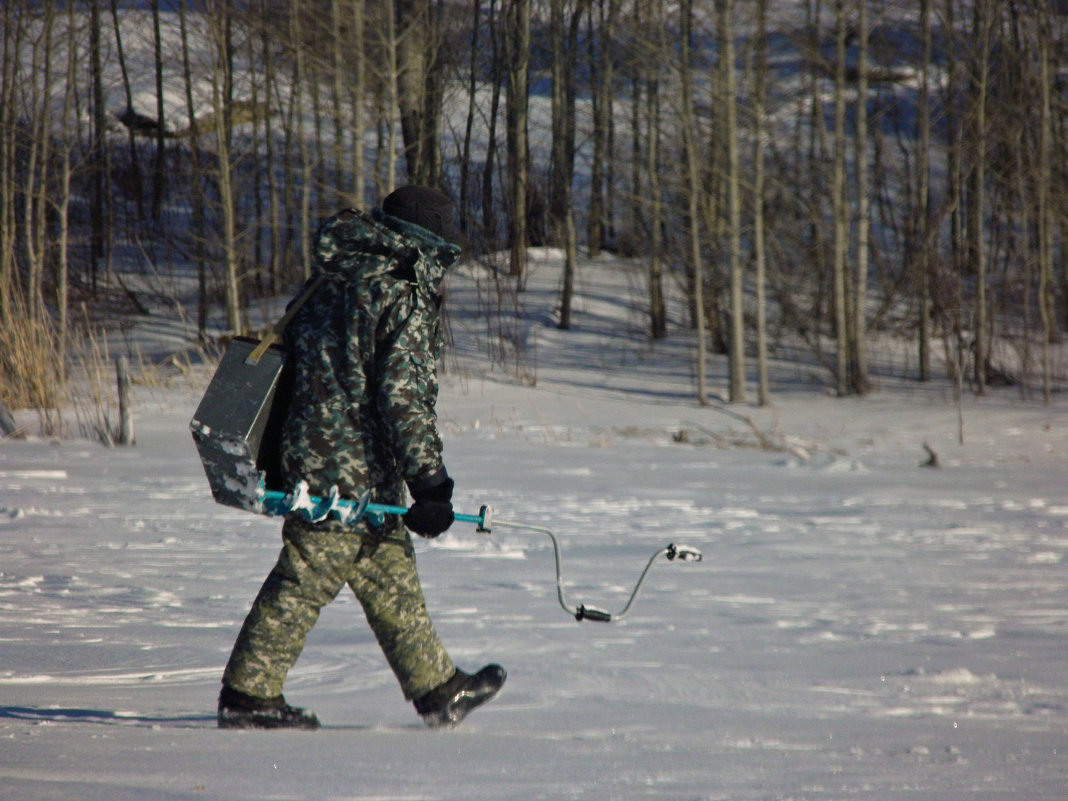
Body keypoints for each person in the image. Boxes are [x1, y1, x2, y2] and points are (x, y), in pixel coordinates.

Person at [217, 186, 505, 730]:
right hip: (349, 465)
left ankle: (438, 688)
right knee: (308, 571)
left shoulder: (337, 272)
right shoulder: (401, 288)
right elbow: (403, 394)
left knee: (383, 562)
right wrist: (431, 483)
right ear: (430, 241)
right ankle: (248, 696)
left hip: (315, 449)